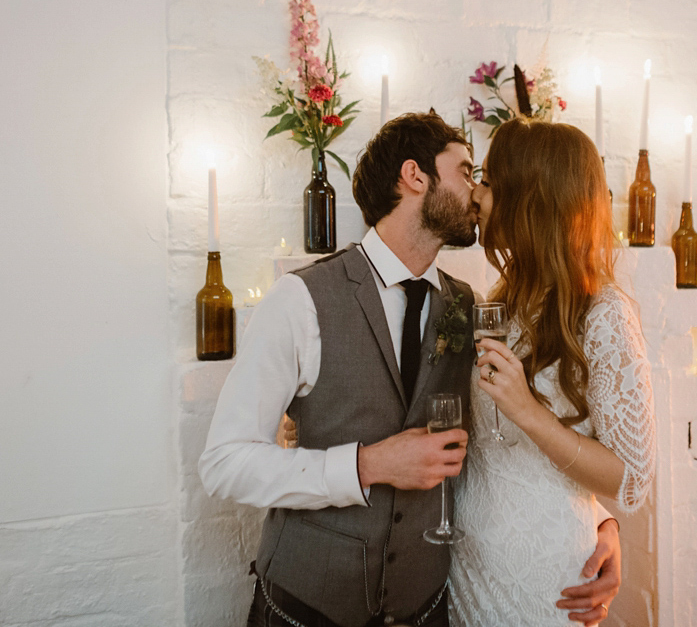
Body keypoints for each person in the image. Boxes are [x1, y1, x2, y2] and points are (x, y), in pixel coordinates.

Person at [199, 112, 622, 627]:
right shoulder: (300, 300)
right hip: (307, 608)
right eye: (467, 171)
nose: (479, 192)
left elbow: (499, 442)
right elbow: (224, 462)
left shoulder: (472, 309)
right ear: (415, 176)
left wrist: (599, 524)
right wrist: (367, 465)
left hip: (425, 609)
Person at [449, 118, 657, 627]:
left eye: (491, 182)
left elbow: (631, 479)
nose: (476, 194)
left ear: (530, 200)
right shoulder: (505, 299)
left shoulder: (604, 313)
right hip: (468, 570)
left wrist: (528, 412)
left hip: (545, 580)